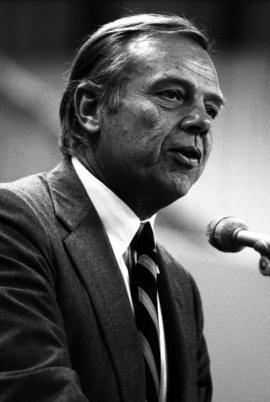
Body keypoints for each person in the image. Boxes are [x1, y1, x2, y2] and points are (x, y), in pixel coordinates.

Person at [0, 13, 224, 402]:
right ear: (90, 109)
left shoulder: (180, 285)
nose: (201, 122)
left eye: (212, 109)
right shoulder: (15, 223)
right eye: (171, 94)